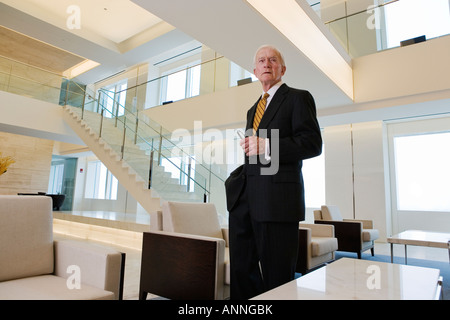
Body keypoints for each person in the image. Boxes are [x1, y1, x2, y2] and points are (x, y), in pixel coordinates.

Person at [225, 45, 322, 300]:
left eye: (273, 59)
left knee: (278, 277)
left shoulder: (298, 98)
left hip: (278, 202)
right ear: (255, 71)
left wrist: (267, 144)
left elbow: (312, 144)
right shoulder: (252, 110)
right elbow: (257, 155)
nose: (267, 63)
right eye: (261, 60)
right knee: (241, 270)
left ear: (282, 68)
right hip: (245, 199)